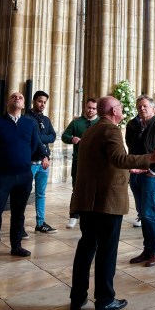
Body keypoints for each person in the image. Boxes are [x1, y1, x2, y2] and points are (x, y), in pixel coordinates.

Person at [70, 96, 155, 310]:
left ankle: (77, 298)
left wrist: (130, 167)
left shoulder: (91, 130)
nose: (122, 109)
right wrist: (151, 158)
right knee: (106, 251)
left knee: (86, 247)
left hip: (88, 200)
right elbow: (119, 158)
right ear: (113, 111)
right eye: (119, 106)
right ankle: (105, 299)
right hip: (105, 201)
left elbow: (104, 162)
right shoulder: (111, 129)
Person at [0, 92, 45, 266]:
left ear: (24, 104)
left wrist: (31, 159)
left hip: (23, 175)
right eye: (13, 97)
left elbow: (34, 145)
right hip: (2, 176)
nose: (17, 98)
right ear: (7, 102)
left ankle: (16, 246)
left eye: (20, 97)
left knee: (19, 213)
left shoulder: (29, 124)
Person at [126, 95, 155, 267]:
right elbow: (130, 145)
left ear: (153, 108)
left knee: (148, 213)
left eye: (145, 106)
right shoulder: (134, 125)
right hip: (135, 173)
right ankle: (147, 250)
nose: (142, 109)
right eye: (139, 107)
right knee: (142, 213)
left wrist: (153, 171)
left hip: (150, 175)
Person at [61, 97, 99, 229]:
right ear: (85, 107)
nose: (91, 110)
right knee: (77, 189)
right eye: (89, 107)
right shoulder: (76, 122)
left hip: (96, 163)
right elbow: (64, 136)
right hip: (79, 161)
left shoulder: (101, 122)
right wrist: (72, 139)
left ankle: (92, 215)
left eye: (94, 108)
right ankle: (74, 215)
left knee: (95, 189)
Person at [25, 90, 57, 234]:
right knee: (23, 194)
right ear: (34, 101)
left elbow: (53, 136)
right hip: (31, 163)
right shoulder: (26, 119)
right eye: (40, 101)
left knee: (41, 194)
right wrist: (41, 139)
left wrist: (39, 138)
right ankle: (19, 226)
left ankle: (40, 223)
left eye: (44, 102)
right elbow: (32, 139)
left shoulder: (46, 120)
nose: (42, 104)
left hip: (44, 163)